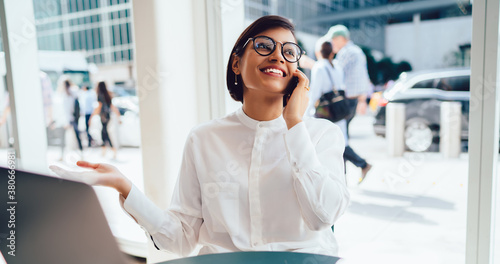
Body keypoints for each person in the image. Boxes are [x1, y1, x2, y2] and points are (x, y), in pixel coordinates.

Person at [50, 15, 350, 257]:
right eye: (263, 45)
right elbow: (180, 239)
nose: (277, 56)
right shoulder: (204, 139)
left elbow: (322, 217)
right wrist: (124, 186)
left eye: (289, 52)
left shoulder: (322, 135)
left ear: (297, 71)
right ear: (236, 62)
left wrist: (295, 122)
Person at [309, 41, 371, 183]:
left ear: (319, 52)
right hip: (339, 109)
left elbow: (315, 93)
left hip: (326, 112)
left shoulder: (319, 67)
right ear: (332, 53)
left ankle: (358, 167)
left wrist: (309, 111)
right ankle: (343, 179)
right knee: (341, 143)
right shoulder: (337, 66)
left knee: (332, 146)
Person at [325, 25, 371, 136]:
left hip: (345, 101)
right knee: (342, 135)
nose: (331, 44)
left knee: (338, 137)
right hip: (353, 101)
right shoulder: (358, 51)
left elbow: (332, 73)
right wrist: (362, 101)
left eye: (333, 40)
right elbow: (364, 78)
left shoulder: (346, 52)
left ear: (341, 38)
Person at [90, 81, 121, 159]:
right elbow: (112, 107)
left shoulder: (100, 95)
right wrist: (118, 116)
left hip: (103, 117)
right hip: (108, 116)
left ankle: (111, 150)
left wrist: (91, 117)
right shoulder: (108, 94)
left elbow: (98, 107)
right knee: (104, 133)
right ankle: (106, 150)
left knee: (105, 133)